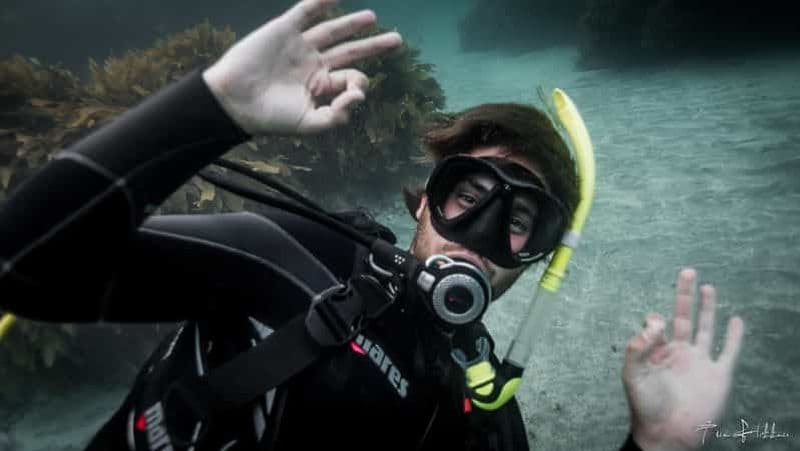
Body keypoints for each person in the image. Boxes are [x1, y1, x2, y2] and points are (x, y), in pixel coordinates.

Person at [0, 0, 745, 450]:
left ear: (540, 258)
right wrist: (211, 108)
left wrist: (655, 443)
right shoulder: (292, 263)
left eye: (521, 220)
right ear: (422, 200)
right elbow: (21, 268)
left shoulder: (486, 415)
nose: (481, 234)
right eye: (468, 193)